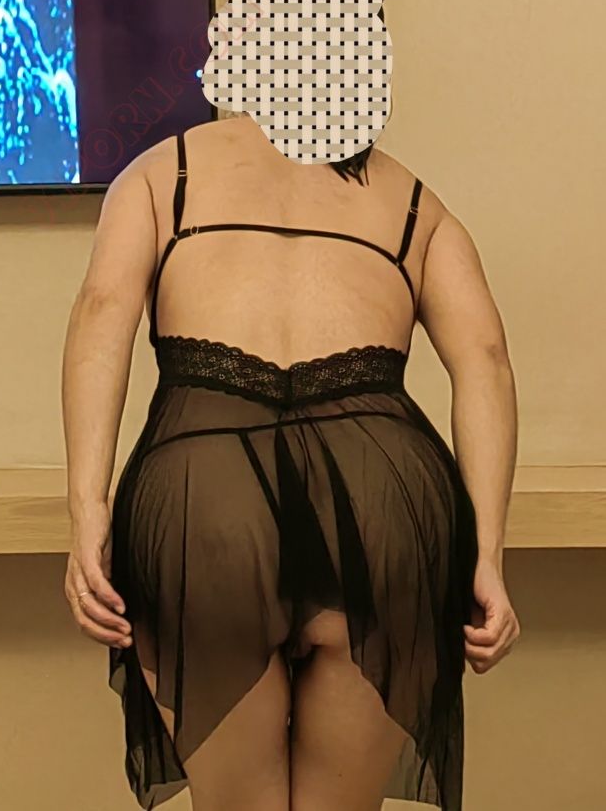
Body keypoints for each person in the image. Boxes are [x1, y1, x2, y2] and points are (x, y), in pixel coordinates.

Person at [61, 109, 520, 811]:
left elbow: (102, 311)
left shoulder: (160, 176)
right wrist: (487, 553)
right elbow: (485, 359)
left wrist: (88, 506)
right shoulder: (414, 203)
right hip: (379, 493)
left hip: (207, 488)